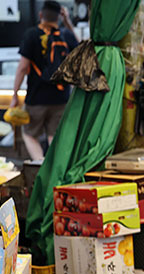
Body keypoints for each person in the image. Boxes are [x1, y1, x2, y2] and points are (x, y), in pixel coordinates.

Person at [10, 1, 78, 161]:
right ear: (59, 16)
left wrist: (15, 94)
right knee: (54, 137)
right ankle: (53, 171)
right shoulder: (65, 34)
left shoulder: (31, 34)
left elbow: (22, 67)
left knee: (29, 134)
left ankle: (39, 166)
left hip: (37, 97)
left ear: (41, 15)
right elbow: (79, 48)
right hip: (61, 97)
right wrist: (67, 23)